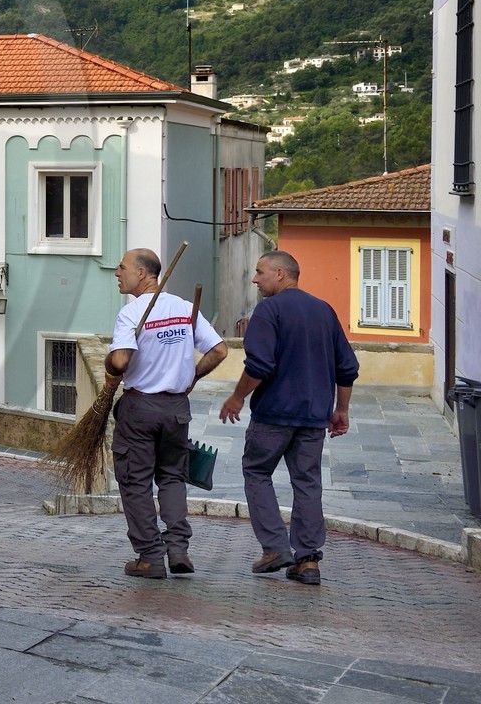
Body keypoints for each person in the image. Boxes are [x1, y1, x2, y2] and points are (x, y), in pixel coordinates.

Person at [219, 250, 358, 586]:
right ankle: (308, 560)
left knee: (256, 471)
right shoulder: (324, 310)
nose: (255, 279)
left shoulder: (268, 311)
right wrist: (341, 410)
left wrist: (237, 397)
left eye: (260, 272)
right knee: (307, 483)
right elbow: (347, 367)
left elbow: (259, 366)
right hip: (313, 417)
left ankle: (274, 549)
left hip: (273, 415)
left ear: (280, 274)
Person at [107, 248, 228, 579]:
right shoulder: (185, 308)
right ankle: (179, 550)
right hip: (176, 408)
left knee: (135, 481)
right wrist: (191, 378)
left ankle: (150, 557)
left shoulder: (132, 313)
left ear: (142, 274)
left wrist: (109, 362)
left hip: (140, 408)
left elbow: (119, 363)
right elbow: (219, 350)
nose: (117, 274)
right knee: (173, 478)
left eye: (122, 268)